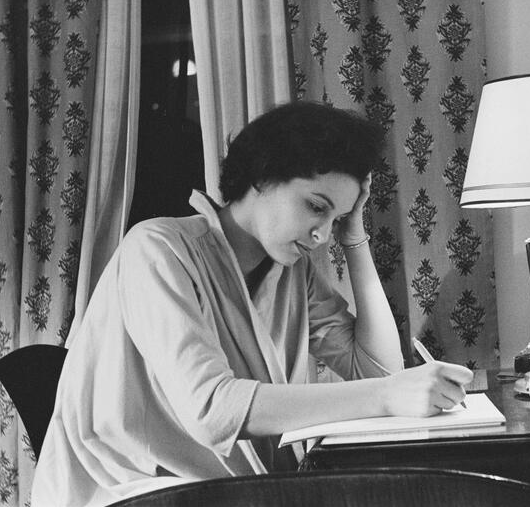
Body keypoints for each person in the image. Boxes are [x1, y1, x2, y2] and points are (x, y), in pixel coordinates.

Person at [31, 102, 473, 506]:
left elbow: (378, 372)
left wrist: (354, 239)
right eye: (315, 206)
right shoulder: (158, 248)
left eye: (336, 218)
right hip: (130, 493)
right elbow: (212, 410)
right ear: (262, 176)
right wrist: (386, 397)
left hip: (228, 493)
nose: (322, 235)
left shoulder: (291, 271)